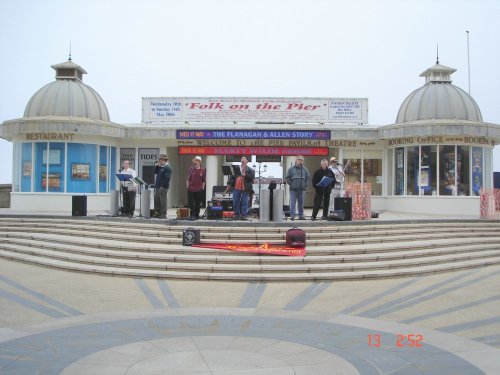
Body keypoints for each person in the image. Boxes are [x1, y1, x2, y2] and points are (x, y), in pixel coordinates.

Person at [227, 156, 255, 220]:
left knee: (244, 201)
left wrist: (246, 175)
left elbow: (251, 179)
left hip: (245, 188)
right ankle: (237, 214)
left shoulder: (250, 170)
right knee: (235, 201)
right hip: (236, 187)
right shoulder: (237, 168)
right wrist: (229, 184)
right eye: (241, 158)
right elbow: (231, 177)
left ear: (247, 161)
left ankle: (244, 215)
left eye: (244, 159)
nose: (242, 160)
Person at [286, 155, 311, 220]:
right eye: (299, 159)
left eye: (301, 160)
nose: (300, 161)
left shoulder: (305, 169)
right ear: (296, 160)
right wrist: (291, 184)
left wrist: (305, 185)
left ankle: (301, 216)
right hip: (293, 190)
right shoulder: (291, 169)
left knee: (301, 204)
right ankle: (292, 216)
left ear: (303, 161)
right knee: (292, 203)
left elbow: (308, 178)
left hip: (302, 189)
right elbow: (287, 178)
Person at [186, 156, 206, 220]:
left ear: (200, 162)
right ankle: (192, 215)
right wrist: (188, 187)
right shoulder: (191, 169)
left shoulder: (203, 170)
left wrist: (202, 188)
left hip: (199, 189)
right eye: (195, 161)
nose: (195, 162)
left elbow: (203, 180)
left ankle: (197, 215)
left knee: (198, 203)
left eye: (197, 161)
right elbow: (188, 179)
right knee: (191, 203)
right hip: (191, 189)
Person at [153, 154, 172, 219]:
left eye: (160, 160)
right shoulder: (161, 167)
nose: (159, 161)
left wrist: (162, 186)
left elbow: (167, 179)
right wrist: (157, 166)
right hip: (158, 186)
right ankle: (157, 213)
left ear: (164, 160)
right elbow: (155, 172)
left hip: (163, 187)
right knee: (157, 200)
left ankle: (163, 214)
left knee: (163, 201)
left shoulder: (167, 167)